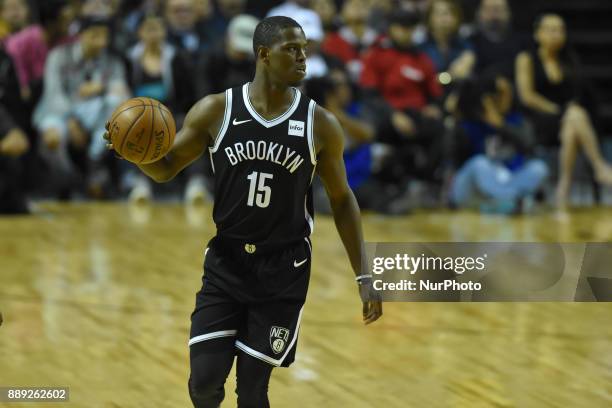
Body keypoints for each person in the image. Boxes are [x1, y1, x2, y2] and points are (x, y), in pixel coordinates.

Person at [104, 15, 382, 407]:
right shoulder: (216, 110)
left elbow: (341, 199)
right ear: (264, 55)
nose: (304, 57)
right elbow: (165, 169)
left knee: (251, 392)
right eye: (292, 49)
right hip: (226, 263)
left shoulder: (319, 123)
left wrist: (364, 274)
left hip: (283, 270)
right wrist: (134, 153)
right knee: (203, 387)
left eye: (305, 49)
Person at [515, 13, 612, 208]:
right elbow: (527, 96)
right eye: (550, 30)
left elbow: (578, 94)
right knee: (575, 117)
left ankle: (564, 184)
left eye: (560, 30)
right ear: (537, 34)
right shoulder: (526, 58)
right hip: (541, 118)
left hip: (570, 120)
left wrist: (567, 111)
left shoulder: (569, 59)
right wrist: (557, 110)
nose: (556, 34)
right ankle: (600, 167)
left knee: (573, 123)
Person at [450, 73, 548, 214]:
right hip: (473, 187)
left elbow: (528, 146)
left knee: (539, 168)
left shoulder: (517, 121)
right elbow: (459, 159)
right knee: (479, 163)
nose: (505, 97)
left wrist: (500, 126)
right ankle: (509, 201)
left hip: (506, 179)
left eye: (508, 92)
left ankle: (501, 202)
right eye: (499, 93)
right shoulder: (471, 122)